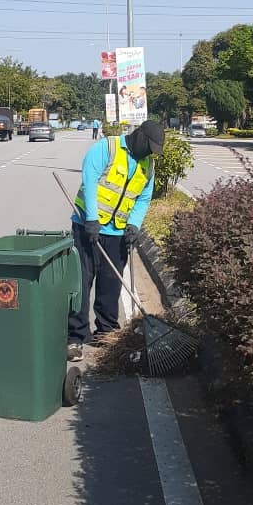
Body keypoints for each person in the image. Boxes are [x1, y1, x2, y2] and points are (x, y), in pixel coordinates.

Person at [67, 119, 165, 361]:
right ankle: (75, 337)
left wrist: (134, 225)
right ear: (140, 136)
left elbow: (143, 198)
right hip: (86, 227)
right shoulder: (107, 148)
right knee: (81, 282)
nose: (150, 153)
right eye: (149, 147)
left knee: (111, 285)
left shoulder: (148, 165)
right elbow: (90, 180)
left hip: (118, 233)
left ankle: (106, 331)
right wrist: (92, 219)